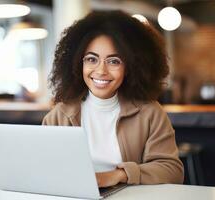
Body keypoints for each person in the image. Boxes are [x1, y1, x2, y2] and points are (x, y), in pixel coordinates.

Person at [42, 10, 184, 187]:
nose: (101, 70)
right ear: (78, 64)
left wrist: (119, 175)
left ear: (131, 67)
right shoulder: (59, 115)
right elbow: (46, 170)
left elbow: (172, 170)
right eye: (91, 59)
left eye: (114, 61)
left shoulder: (150, 113)